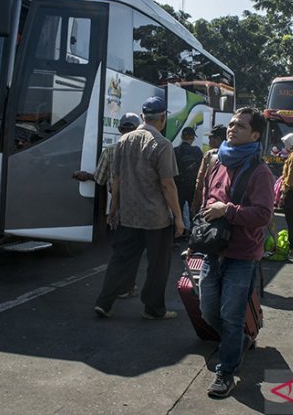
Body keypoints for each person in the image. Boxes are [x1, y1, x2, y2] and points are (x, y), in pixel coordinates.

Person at [196, 107, 275, 398]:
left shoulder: (260, 170)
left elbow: (264, 215)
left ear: (255, 134)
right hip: (212, 250)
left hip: (242, 255)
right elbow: (206, 199)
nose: (232, 129)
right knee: (207, 310)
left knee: (231, 316)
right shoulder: (217, 161)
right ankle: (240, 339)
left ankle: (226, 372)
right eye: (231, 124)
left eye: (240, 126)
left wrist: (227, 210)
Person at [93, 96, 184, 320]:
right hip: (156, 218)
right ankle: (153, 309)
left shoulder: (123, 142)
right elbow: (167, 184)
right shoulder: (162, 144)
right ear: (163, 118)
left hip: (129, 215)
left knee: (121, 260)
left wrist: (114, 210)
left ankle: (104, 303)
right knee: (157, 266)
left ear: (143, 117)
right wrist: (180, 219)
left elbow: (116, 180)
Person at [73, 112, 141, 298]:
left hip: (116, 209)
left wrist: (86, 175)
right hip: (140, 209)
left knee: (119, 250)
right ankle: (129, 286)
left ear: (120, 130)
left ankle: (117, 289)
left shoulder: (110, 151)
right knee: (133, 250)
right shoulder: (146, 151)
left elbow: (101, 178)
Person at [191, 124, 227, 217]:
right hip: (224, 207)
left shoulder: (210, 155)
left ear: (218, 139)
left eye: (210, 138)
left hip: (208, 204)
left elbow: (200, 183)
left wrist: (195, 205)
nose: (209, 141)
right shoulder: (235, 155)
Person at [174, 126, 203, 234]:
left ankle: (177, 234)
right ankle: (194, 233)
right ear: (192, 138)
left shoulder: (175, 151)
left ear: (182, 136)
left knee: (178, 210)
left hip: (178, 186)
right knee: (194, 209)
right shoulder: (197, 151)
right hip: (192, 186)